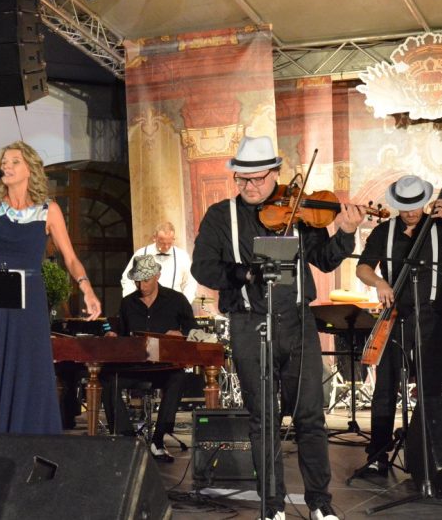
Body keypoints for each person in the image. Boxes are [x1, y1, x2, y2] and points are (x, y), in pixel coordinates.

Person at [192, 134, 364, 520]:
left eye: (258, 178)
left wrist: (346, 233)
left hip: (298, 323)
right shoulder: (221, 216)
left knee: (310, 417)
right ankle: (271, 507)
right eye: (242, 179)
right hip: (249, 324)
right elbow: (202, 267)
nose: (250, 186)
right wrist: (244, 272)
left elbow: (324, 259)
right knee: (264, 420)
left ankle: (320, 503)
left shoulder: (298, 210)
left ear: (275, 174)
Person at [0, 141, 102, 434]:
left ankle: (29, 436)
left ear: (30, 169)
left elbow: (71, 258)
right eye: (4, 162)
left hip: (29, 301)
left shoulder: (48, 210)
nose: (7, 166)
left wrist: (87, 289)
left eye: (14, 162)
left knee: (28, 368)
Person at [353, 174, 442, 479]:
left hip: (432, 316)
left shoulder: (439, 227)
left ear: (424, 202)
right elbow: (362, 268)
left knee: (429, 387)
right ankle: (377, 456)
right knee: (385, 388)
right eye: (405, 206)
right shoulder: (384, 231)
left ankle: (425, 453)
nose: (411, 212)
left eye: (415, 205)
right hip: (395, 316)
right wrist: (380, 283)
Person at [103, 254, 197, 460]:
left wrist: (180, 334)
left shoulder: (176, 300)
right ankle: (127, 439)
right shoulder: (128, 303)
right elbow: (124, 335)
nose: (141, 285)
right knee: (108, 379)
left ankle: (158, 439)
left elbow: (195, 332)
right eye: (137, 281)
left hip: (164, 367)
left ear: (157, 276)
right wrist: (114, 337)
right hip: (135, 366)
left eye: (145, 280)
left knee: (178, 378)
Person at [119, 222, 197, 300]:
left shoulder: (182, 256)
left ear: (173, 239)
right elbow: (128, 279)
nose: (166, 247)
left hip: (173, 304)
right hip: (146, 303)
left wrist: (185, 302)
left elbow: (190, 282)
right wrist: (131, 300)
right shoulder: (141, 253)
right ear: (154, 238)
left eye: (169, 243)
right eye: (162, 243)